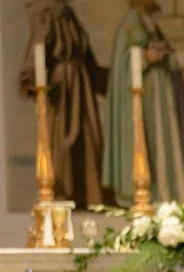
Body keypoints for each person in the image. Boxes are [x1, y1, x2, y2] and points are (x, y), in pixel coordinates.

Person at [103, 0, 184, 206]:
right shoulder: (129, 27)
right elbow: (124, 64)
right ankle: (144, 194)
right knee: (146, 145)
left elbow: (169, 60)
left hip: (161, 102)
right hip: (143, 101)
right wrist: (145, 56)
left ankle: (165, 193)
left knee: (163, 146)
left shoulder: (151, 27)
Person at [19, 0, 108, 208]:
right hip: (62, 87)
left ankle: (88, 195)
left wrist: (117, 79)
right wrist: (31, 76)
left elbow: (87, 57)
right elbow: (38, 47)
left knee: (89, 138)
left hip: (81, 84)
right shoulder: (48, 13)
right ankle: (61, 194)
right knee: (61, 137)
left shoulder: (68, 13)